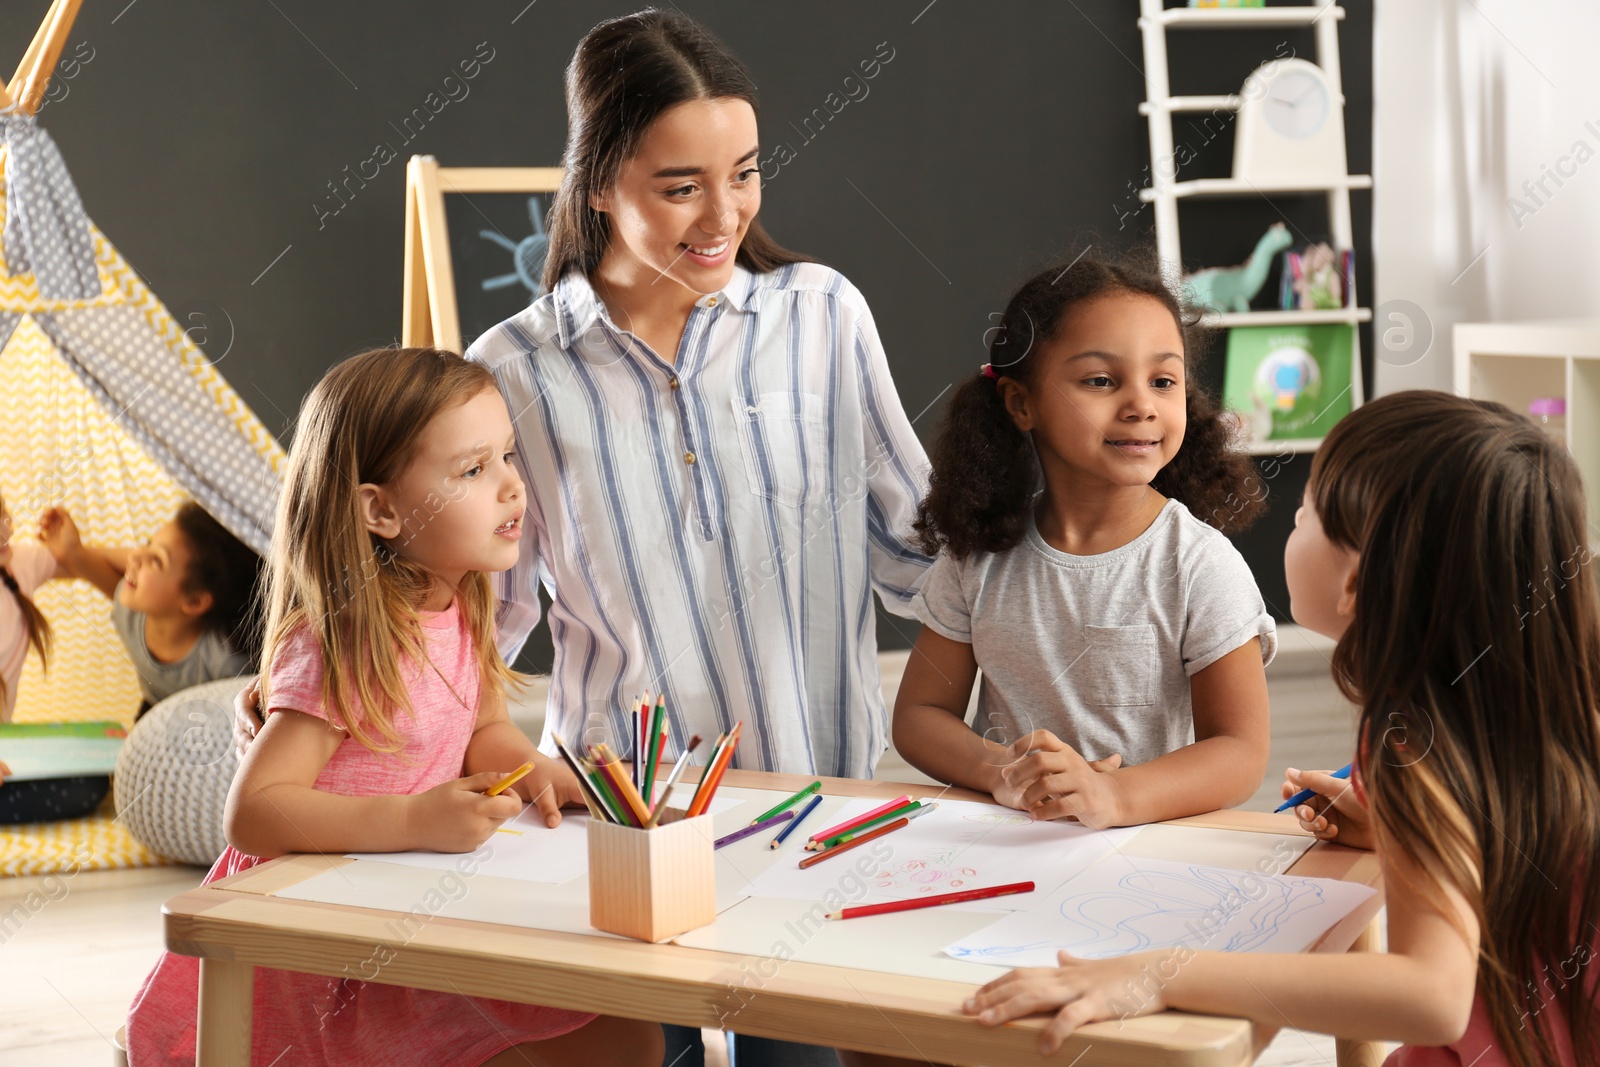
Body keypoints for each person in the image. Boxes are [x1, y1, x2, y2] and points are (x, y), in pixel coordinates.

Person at [461, 13, 932, 1065]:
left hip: (815, 813)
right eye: (680, 186)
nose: (723, 214)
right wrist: (324, 686)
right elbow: (471, 621)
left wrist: (1104, 553)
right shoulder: (511, 373)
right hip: (619, 832)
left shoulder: (823, 317)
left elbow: (922, 550)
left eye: (746, 173)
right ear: (595, 183)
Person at [962, 392, 1600, 1067]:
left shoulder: (1413, 742)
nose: (1293, 521)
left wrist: (1159, 973)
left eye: (1306, 513)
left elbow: (1431, 993)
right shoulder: (1541, 709)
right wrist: (1401, 833)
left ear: (1355, 582)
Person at [126, 347, 660, 1067]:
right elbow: (255, 810)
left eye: (506, 455)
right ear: (380, 509)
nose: (512, 486)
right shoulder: (342, 637)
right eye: (474, 469)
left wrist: (535, 769)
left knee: (631, 1038)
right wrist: (413, 819)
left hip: (407, 903)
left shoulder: (462, 597)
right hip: (320, 945)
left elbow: (484, 729)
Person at [892, 255, 1274, 828]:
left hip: (1142, 856)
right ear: (1023, 404)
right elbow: (920, 715)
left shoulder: (1200, 566)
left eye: (1163, 381)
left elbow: (1240, 753)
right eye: (1101, 380)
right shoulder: (977, 557)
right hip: (1011, 848)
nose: (1142, 404)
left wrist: (1114, 797)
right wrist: (1002, 772)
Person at [41, 500, 259, 715]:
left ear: (194, 601)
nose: (134, 555)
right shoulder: (130, 613)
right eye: (147, 543)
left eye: (157, 560)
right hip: (155, 712)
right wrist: (72, 552)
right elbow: (81, 562)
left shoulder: (228, 662)